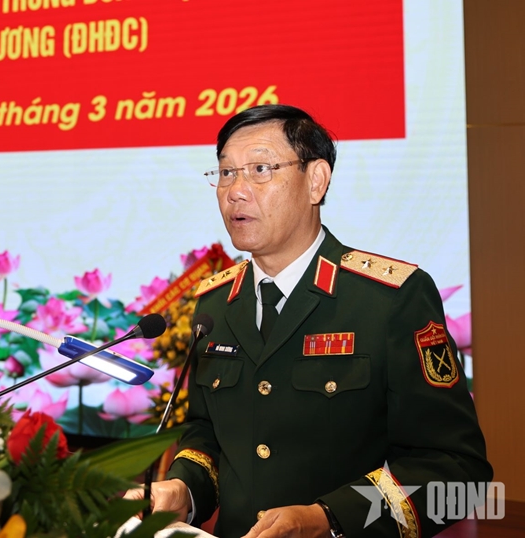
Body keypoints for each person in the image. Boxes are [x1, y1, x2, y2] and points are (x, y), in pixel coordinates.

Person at [127, 105, 492, 537]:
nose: (235, 192)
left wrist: (329, 518)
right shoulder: (217, 302)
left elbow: (458, 471)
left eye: (260, 169)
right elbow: (207, 436)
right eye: (225, 173)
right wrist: (184, 490)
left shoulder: (390, 299)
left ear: (316, 181)